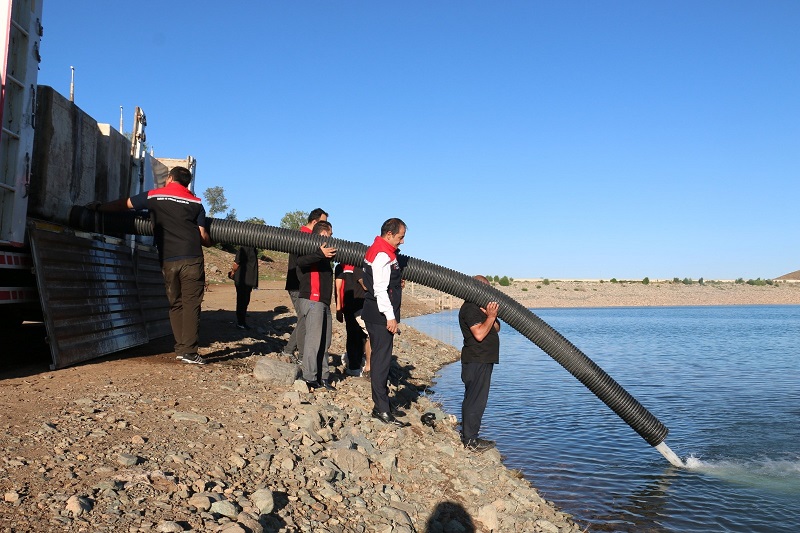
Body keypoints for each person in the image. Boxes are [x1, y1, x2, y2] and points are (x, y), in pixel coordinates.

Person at [93, 166, 212, 365]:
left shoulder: (154, 196)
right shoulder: (196, 202)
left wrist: (99, 208)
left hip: (167, 259)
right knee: (191, 304)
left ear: (170, 178)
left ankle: (181, 349)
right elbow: (202, 235)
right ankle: (190, 352)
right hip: (191, 258)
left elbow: (125, 204)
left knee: (175, 303)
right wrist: (211, 242)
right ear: (186, 183)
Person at [362, 218, 408, 427]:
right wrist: (390, 317)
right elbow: (379, 289)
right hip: (379, 316)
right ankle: (380, 409)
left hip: (379, 314)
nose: (402, 241)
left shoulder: (383, 251)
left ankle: (383, 404)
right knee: (381, 363)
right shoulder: (382, 255)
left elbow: (386, 282)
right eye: (400, 237)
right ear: (389, 234)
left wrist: (397, 282)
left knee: (383, 360)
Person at [458, 275, 500, 452]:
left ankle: (470, 436)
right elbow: (480, 334)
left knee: (476, 400)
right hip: (476, 360)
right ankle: (470, 441)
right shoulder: (469, 309)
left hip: (482, 360)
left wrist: (491, 316)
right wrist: (489, 317)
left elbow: (496, 328)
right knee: (475, 401)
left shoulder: (478, 308)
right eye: (487, 288)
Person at [296, 220, 336, 390]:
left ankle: (323, 377)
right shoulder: (310, 247)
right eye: (330, 234)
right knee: (314, 340)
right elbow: (301, 262)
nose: (333, 237)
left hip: (323, 302)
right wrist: (320, 253)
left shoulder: (325, 253)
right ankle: (309, 377)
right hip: (312, 299)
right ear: (322, 233)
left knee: (325, 341)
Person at [283, 208, 328, 361]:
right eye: (324, 224)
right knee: (304, 319)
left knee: (303, 318)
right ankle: (297, 353)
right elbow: (301, 263)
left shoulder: (307, 237)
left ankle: (291, 350)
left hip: (301, 285)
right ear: (315, 222)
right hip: (299, 286)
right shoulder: (304, 238)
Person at [335, 263, 369, 376]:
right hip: (354, 305)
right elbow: (338, 287)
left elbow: (338, 288)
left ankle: (356, 364)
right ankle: (355, 366)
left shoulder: (342, 267)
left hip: (356, 306)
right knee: (357, 336)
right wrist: (339, 309)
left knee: (357, 336)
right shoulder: (346, 267)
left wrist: (339, 309)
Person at [229, 246, 259, 330]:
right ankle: (241, 322)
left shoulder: (249, 248)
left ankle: (242, 321)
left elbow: (236, 264)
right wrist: (233, 272)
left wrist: (232, 272)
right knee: (243, 301)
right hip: (244, 279)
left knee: (244, 301)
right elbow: (237, 264)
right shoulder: (248, 248)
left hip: (245, 279)